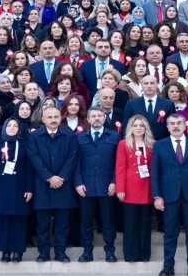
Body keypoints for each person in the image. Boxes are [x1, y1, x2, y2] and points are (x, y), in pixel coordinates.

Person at [152, 114, 188, 276]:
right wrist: (157, 196)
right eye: (172, 124)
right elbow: (155, 173)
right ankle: (168, 266)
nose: (176, 126)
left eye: (179, 123)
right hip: (169, 196)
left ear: (185, 125)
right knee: (170, 233)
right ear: (167, 126)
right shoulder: (160, 145)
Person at [26, 105, 79, 262]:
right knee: (42, 224)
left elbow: (72, 158)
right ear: (42, 120)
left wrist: (61, 177)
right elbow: (34, 158)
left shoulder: (69, 135)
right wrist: (49, 177)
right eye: (49, 117)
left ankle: (61, 252)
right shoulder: (35, 137)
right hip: (43, 185)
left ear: (60, 118)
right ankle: (43, 252)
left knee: (63, 224)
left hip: (64, 185)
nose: (53, 120)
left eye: (56, 117)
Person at [74, 108, 121, 262]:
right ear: (87, 119)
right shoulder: (79, 138)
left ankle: (110, 251)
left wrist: (115, 181)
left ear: (104, 118)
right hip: (85, 187)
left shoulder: (114, 136)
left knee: (108, 221)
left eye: (99, 116)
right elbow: (75, 163)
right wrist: (78, 183)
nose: (96, 118)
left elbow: (118, 163)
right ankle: (87, 251)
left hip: (107, 186)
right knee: (86, 222)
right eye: (93, 116)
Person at [0, 117, 34, 263]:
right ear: (4, 128)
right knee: (2, 220)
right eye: (9, 125)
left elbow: (30, 169)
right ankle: (5, 251)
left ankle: (18, 251)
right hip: (0, 188)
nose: (12, 128)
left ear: (19, 129)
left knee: (18, 220)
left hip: (20, 188)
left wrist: (29, 188)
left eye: (15, 126)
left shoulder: (25, 145)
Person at [114, 115, 155, 262]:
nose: (138, 128)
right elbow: (120, 167)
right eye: (135, 125)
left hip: (148, 187)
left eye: (141, 125)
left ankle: (144, 254)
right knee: (130, 223)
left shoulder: (152, 144)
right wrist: (120, 188)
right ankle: (131, 254)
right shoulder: (124, 144)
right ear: (130, 127)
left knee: (145, 223)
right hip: (130, 188)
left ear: (146, 128)